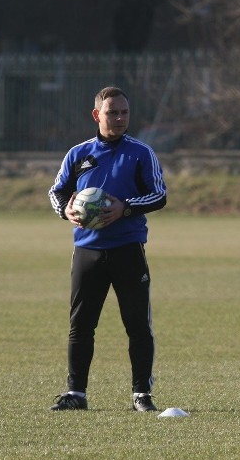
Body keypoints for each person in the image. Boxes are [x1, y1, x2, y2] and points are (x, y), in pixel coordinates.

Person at [48, 86, 167, 412]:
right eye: (112, 112)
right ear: (96, 115)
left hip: (128, 249)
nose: (119, 118)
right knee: (81, 324)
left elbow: (159, 195)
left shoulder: (141, 153)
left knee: (137, 325)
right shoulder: (78, 154)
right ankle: (76, 394)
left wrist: (124, 208)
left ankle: (141, 394)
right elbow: (57, 192)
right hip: (87, 252)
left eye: (124, 112)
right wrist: (67, 211)